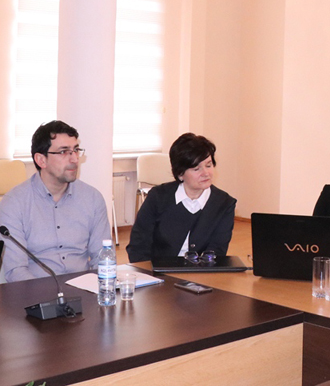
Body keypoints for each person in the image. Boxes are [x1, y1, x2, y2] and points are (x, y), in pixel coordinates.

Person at [0, 120, 110, 282]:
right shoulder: (14, 203)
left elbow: (102, 258)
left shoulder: (92, 198)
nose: (74, 159)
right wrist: (50, 294)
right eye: (64, 152)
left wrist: (98, 288)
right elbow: (16, 271)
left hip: (84, 289)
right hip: (36, 291)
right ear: (41, 160)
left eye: (76, 150)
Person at [127, 133, 236, 262]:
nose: (206, 173)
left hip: (202, 272)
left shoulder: (224, 204)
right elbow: (138, 246)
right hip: (158, 270)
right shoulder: (157, 197)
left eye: (208, 165)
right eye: (196, 168)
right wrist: (149, 272)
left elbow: (217, 252)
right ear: (180, 173)